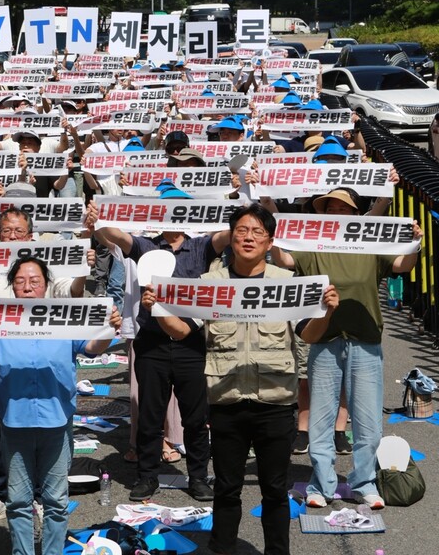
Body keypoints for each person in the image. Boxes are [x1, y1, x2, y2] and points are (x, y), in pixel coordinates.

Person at [142, 204, 340, 555]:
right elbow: (183, 331)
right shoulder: (209, 284)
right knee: (227, 488)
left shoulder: (287, 283)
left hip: (276, 402)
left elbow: (308, 335)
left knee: (275, 491)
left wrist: (326, 312)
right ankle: (222, 549)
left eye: (257, 233)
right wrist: (158, 309)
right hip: (226, 400)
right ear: (231, 238)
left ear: (269, 242)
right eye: (241, 231)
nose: (248, 238)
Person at [0, 255, 120, 555]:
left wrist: (109, 329)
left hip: (57, 420)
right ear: (12, 286)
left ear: (46, 286)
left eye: (35, 281)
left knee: (55, 500)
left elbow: (90, 347)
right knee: (20, 500)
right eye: (20, 281)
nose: (27, 287)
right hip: (14, 421)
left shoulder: (63, 316)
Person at [270, 187, 422, 510]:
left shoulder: (370, 245)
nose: (336, 212)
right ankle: (321, 484)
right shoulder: (311, 247)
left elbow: (402, 265)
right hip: (325, 343)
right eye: (329, 208)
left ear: (356, 214)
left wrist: (415, 243)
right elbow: (282, 258)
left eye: (344, 207)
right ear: (322, 215)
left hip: (365, 342)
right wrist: (271, 218)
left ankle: (364, 482)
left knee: (367, 421)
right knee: (321, 419)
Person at [88, 185, 231, 502]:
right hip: (151, 342)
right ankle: (146, 477)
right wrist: (100, 217)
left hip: (192, 342)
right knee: (150, 417)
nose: (173, 214)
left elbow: (230, 234)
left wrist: (250, 198)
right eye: (167, 208)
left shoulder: (201, 246)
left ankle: (198, 478)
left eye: (180, 208)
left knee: (196, 417)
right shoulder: (145, 245)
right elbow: (116, 235)